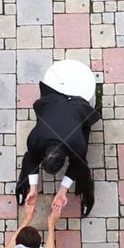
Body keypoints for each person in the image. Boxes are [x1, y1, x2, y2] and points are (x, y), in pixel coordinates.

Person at [16, 80, 101, 217]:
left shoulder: (77, 143)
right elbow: (31, 157)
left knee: (82, 164)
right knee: (29, 155)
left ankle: (87, 190)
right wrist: (33, 188)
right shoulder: (35, 137)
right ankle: (25, 183)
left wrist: (62, 191)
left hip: (76, 107)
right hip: (53, 102)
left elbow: (76, 165)